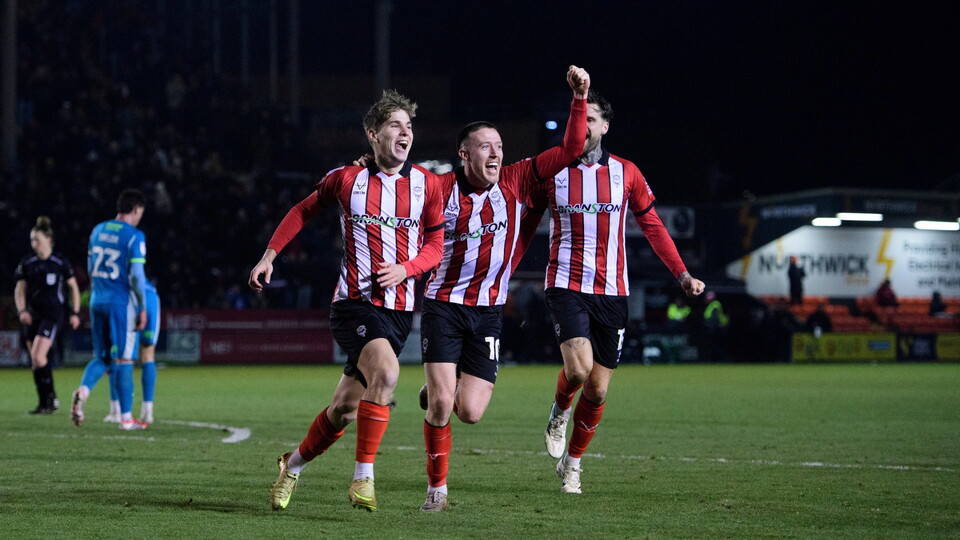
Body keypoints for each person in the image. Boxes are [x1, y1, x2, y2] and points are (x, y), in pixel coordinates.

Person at [248, 89, 444, 512]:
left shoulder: (427, 184)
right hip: (354, 304)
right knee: (388, 375)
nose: (405, 132)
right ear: (373, 134)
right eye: (395, 124)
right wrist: (269, 256)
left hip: (398, 313)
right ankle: (362, 480)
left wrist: (406, 269)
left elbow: (435, 245)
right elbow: (302, 210)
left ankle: (292, 466)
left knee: (344, 409)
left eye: (409, 126)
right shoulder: (347, 178)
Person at [413, 65, 589, 512]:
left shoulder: (515, 179)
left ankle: (443, 388)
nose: (495, 154)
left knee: (468, 411)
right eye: (485, 147)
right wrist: (365, 164)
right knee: (439, 408)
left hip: (489, 310)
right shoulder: (438, 188)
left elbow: (571, 147)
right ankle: (437, 491)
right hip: (444, 306)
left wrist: (578, 98)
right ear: (464, 155)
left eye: (499, 147)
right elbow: (393, 178)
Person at [517, 89, 705, 494]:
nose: (583, 125)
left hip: (613, 290)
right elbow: (528, 224)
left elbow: (652, 226)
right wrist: (505, 270)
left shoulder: (627, 173)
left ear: (604, 127)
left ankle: (573, 464)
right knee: (579, 370)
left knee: (599, 387)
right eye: (577, 118)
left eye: (591, 119)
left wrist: (683, 275)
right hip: (566, 282)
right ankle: (559, 412)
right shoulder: (552, 172)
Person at [71, 188, 150, 431]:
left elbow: (89, 266)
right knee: (124, 358)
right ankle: (126, 418)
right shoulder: (134, 236)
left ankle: (82, 393)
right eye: (140, 213)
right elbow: (136, 276)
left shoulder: (97, 231)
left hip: (97, 299)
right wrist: (142, 306)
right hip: (120, 302)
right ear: (136, 209)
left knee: (102, 357)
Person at [13, 216, 82, 414]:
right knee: (35, 362)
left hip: (53, 315)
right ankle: (43, 402)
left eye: (37, 240)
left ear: (48, 240)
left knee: (38, 355)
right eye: (32, 240)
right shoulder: (28, 262)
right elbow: (20, 288)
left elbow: (73, 288)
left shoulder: (59, 262)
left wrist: (75, 312)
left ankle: (51, 398)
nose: (34, 244)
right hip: (32, 315)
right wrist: (22, 310)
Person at [85, 279, 160, 425]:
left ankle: (117, 411)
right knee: (148, 355)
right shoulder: (134, 256)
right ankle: (147, 411)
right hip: (149, 294)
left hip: (126, 298)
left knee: (118, 355)